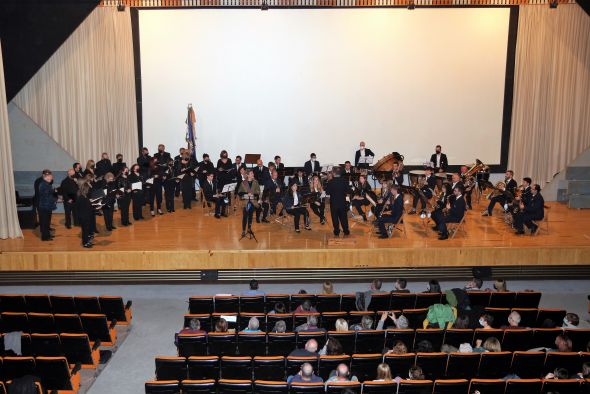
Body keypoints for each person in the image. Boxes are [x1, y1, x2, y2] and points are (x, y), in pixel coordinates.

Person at [324, 167, 350, 237]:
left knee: (335, 218)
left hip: (334, 203)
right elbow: (348, 191)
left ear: (333, 173)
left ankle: (336, 232)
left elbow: (327, 192)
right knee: (344, 217)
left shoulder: (330, 182)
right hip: (342, 203)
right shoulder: (345, 181)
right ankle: (346, 231)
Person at [238, 169, 261, 237]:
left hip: (253, 201)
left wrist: (253, 194)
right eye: (251, 173)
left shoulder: (256, 182)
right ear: (247, 175)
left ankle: (249, 228)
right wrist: (246, 194)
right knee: (245, 216)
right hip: (245, 202)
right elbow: (239, 192)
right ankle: (243, 230)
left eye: (253, 173)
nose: (253, 174)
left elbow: (258, 192)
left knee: (250, 215)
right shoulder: (243, 183)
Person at [37, 170, 57, 241]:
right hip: (44, 206)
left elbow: (49, 194)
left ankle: (47, 235)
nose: (52, 177)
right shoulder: (44, 184)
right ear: (47, 177)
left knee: (47, 222)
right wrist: (55, 199)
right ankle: (45, 237)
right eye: (51, 176)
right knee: (45, 223)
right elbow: (46, 196)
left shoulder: (46, 184)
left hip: (46, 206)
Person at [75, 181, 94, 248]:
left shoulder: (83, 196)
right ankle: (85, 243)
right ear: (85, 190)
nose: (89, 190)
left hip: (85, 216)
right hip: (84, 217)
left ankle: (87, 241)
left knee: (86, 230)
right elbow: (86, 207)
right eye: (88, 189)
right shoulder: (82, 198)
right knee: (85, 230)